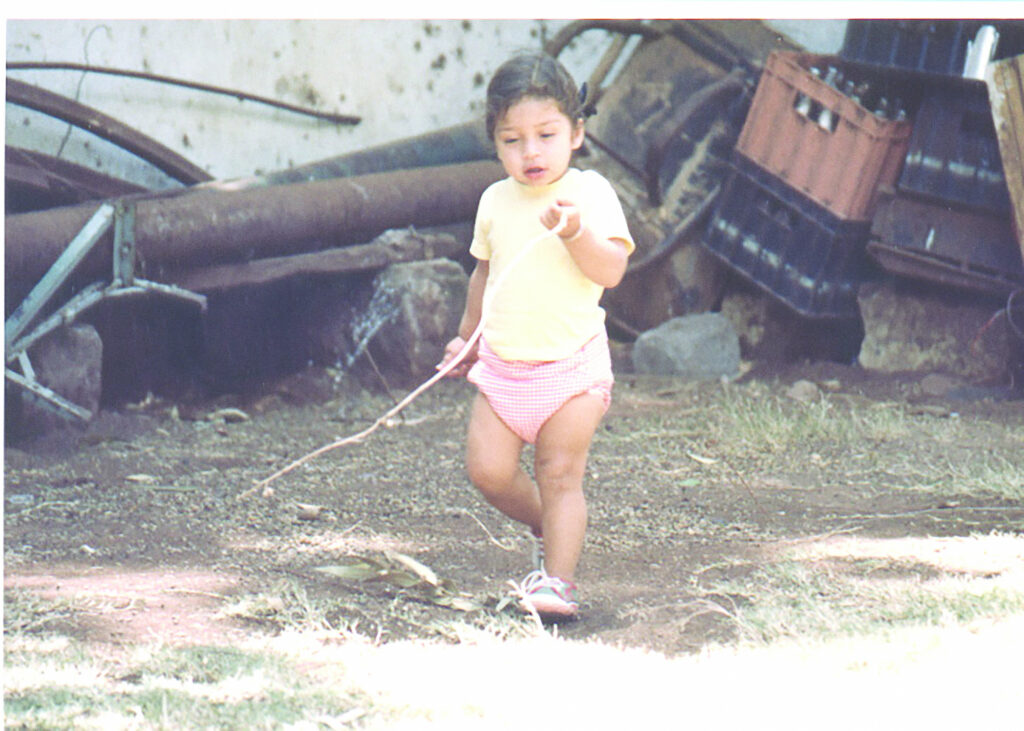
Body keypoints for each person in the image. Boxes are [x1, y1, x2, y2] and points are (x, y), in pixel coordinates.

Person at [438, 51, 635, 619]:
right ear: (494, 143)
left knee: (560, 473)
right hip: (503, 369)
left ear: (576, 132)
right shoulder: (494, 202)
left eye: (545, 135)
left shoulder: (590, 194)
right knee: (489, 472)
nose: (530, 154)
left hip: (573, 370)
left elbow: (611, 271)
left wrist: (575, 233)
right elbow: (484, 272)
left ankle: (558, 584)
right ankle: (547, 525)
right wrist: (466, 338)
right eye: (512, 140)